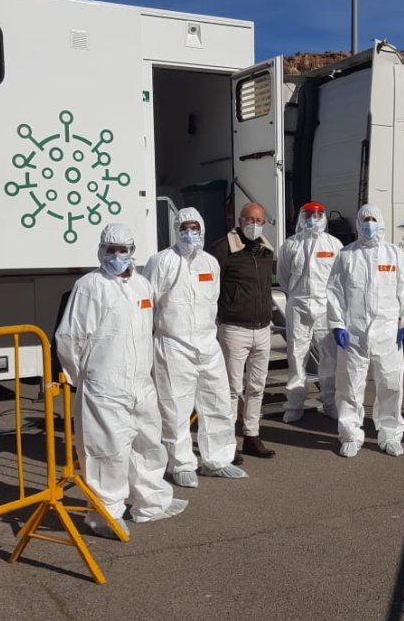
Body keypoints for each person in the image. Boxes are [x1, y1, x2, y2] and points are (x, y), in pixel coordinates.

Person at [54, 223, 187, 538]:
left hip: (141, 384)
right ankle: (105, 517)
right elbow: (69, 338)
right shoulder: (90, 286)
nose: (117, 256)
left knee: (148, 445)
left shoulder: (142, 285)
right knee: (106, 454)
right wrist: (82, 377)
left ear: (132, 252)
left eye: (122, 250)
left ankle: (151, 502)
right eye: (111, 250)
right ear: (101, 251)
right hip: (104, 385)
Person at [143, 208, 248, 487]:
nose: (190, 234)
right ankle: (181, 464)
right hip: (173, 345)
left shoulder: (210, 263)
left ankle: (218, 460)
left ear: (202, 229)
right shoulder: (161, 261)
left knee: (218, 403)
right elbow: (147, 304)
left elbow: (212, 301)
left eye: (194, 228)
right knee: (175, 407)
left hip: (207, 344)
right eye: (184, 229)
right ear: (176, 230)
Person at [326, 204, 404, 458]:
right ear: (357, 223)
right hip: (354, 334)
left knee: (390, 384)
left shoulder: (394, 255)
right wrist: (337, 324)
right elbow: (334, 292)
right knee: (350, 386)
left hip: (388, 333)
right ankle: (351, 434)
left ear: (382, 222)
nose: (369, 224)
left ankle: (390, 434)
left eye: (373, 219)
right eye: (365, 219)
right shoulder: (346, 255)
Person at [209, 202, 277, 459]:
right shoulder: (222, 248)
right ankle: (226, 442)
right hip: (234, 328)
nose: (255, 225)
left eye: (259, 221)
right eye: (250, 220)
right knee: (231, 388)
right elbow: (212, 288)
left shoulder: (265, 250)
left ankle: (251, 436)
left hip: (261, 328)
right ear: (240, 221)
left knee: (257, 386)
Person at [279, 201, 343, 424]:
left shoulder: (334, 245)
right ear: (301, 217)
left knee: (329, 356)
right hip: (298, 304)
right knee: (297, 354)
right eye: (308, 215)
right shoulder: (290, 245)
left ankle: (330, 402)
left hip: (325, 304)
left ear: (324, 218)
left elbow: (338, 278)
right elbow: (284, 276)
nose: (312, 220)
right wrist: (296, 296)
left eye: (317, 216)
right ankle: (295, 404)